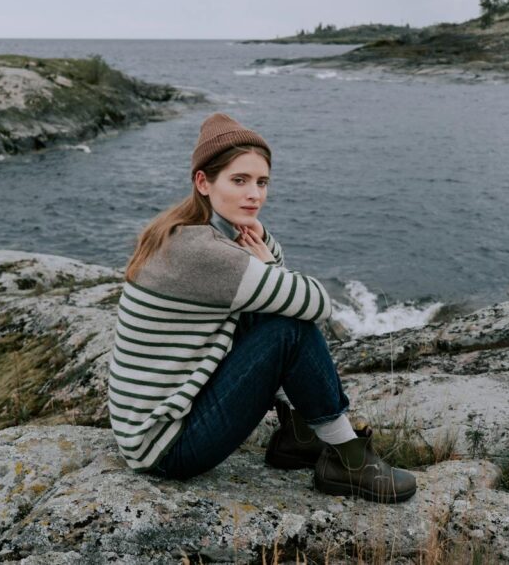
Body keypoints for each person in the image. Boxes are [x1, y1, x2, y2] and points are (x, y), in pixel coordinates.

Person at [107, 112, 416, 503]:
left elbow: (276, 291)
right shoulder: (202, 252)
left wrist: (267, 261)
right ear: (203, 182)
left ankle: (299, 437)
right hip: (167, 447)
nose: (255, 194)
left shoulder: (193, 229)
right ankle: (348, 459)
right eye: (239, 181)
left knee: (273, 312)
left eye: (261, 182)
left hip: (151, 427)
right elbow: (316, 304)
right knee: (289, 332)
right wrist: (268, 266)